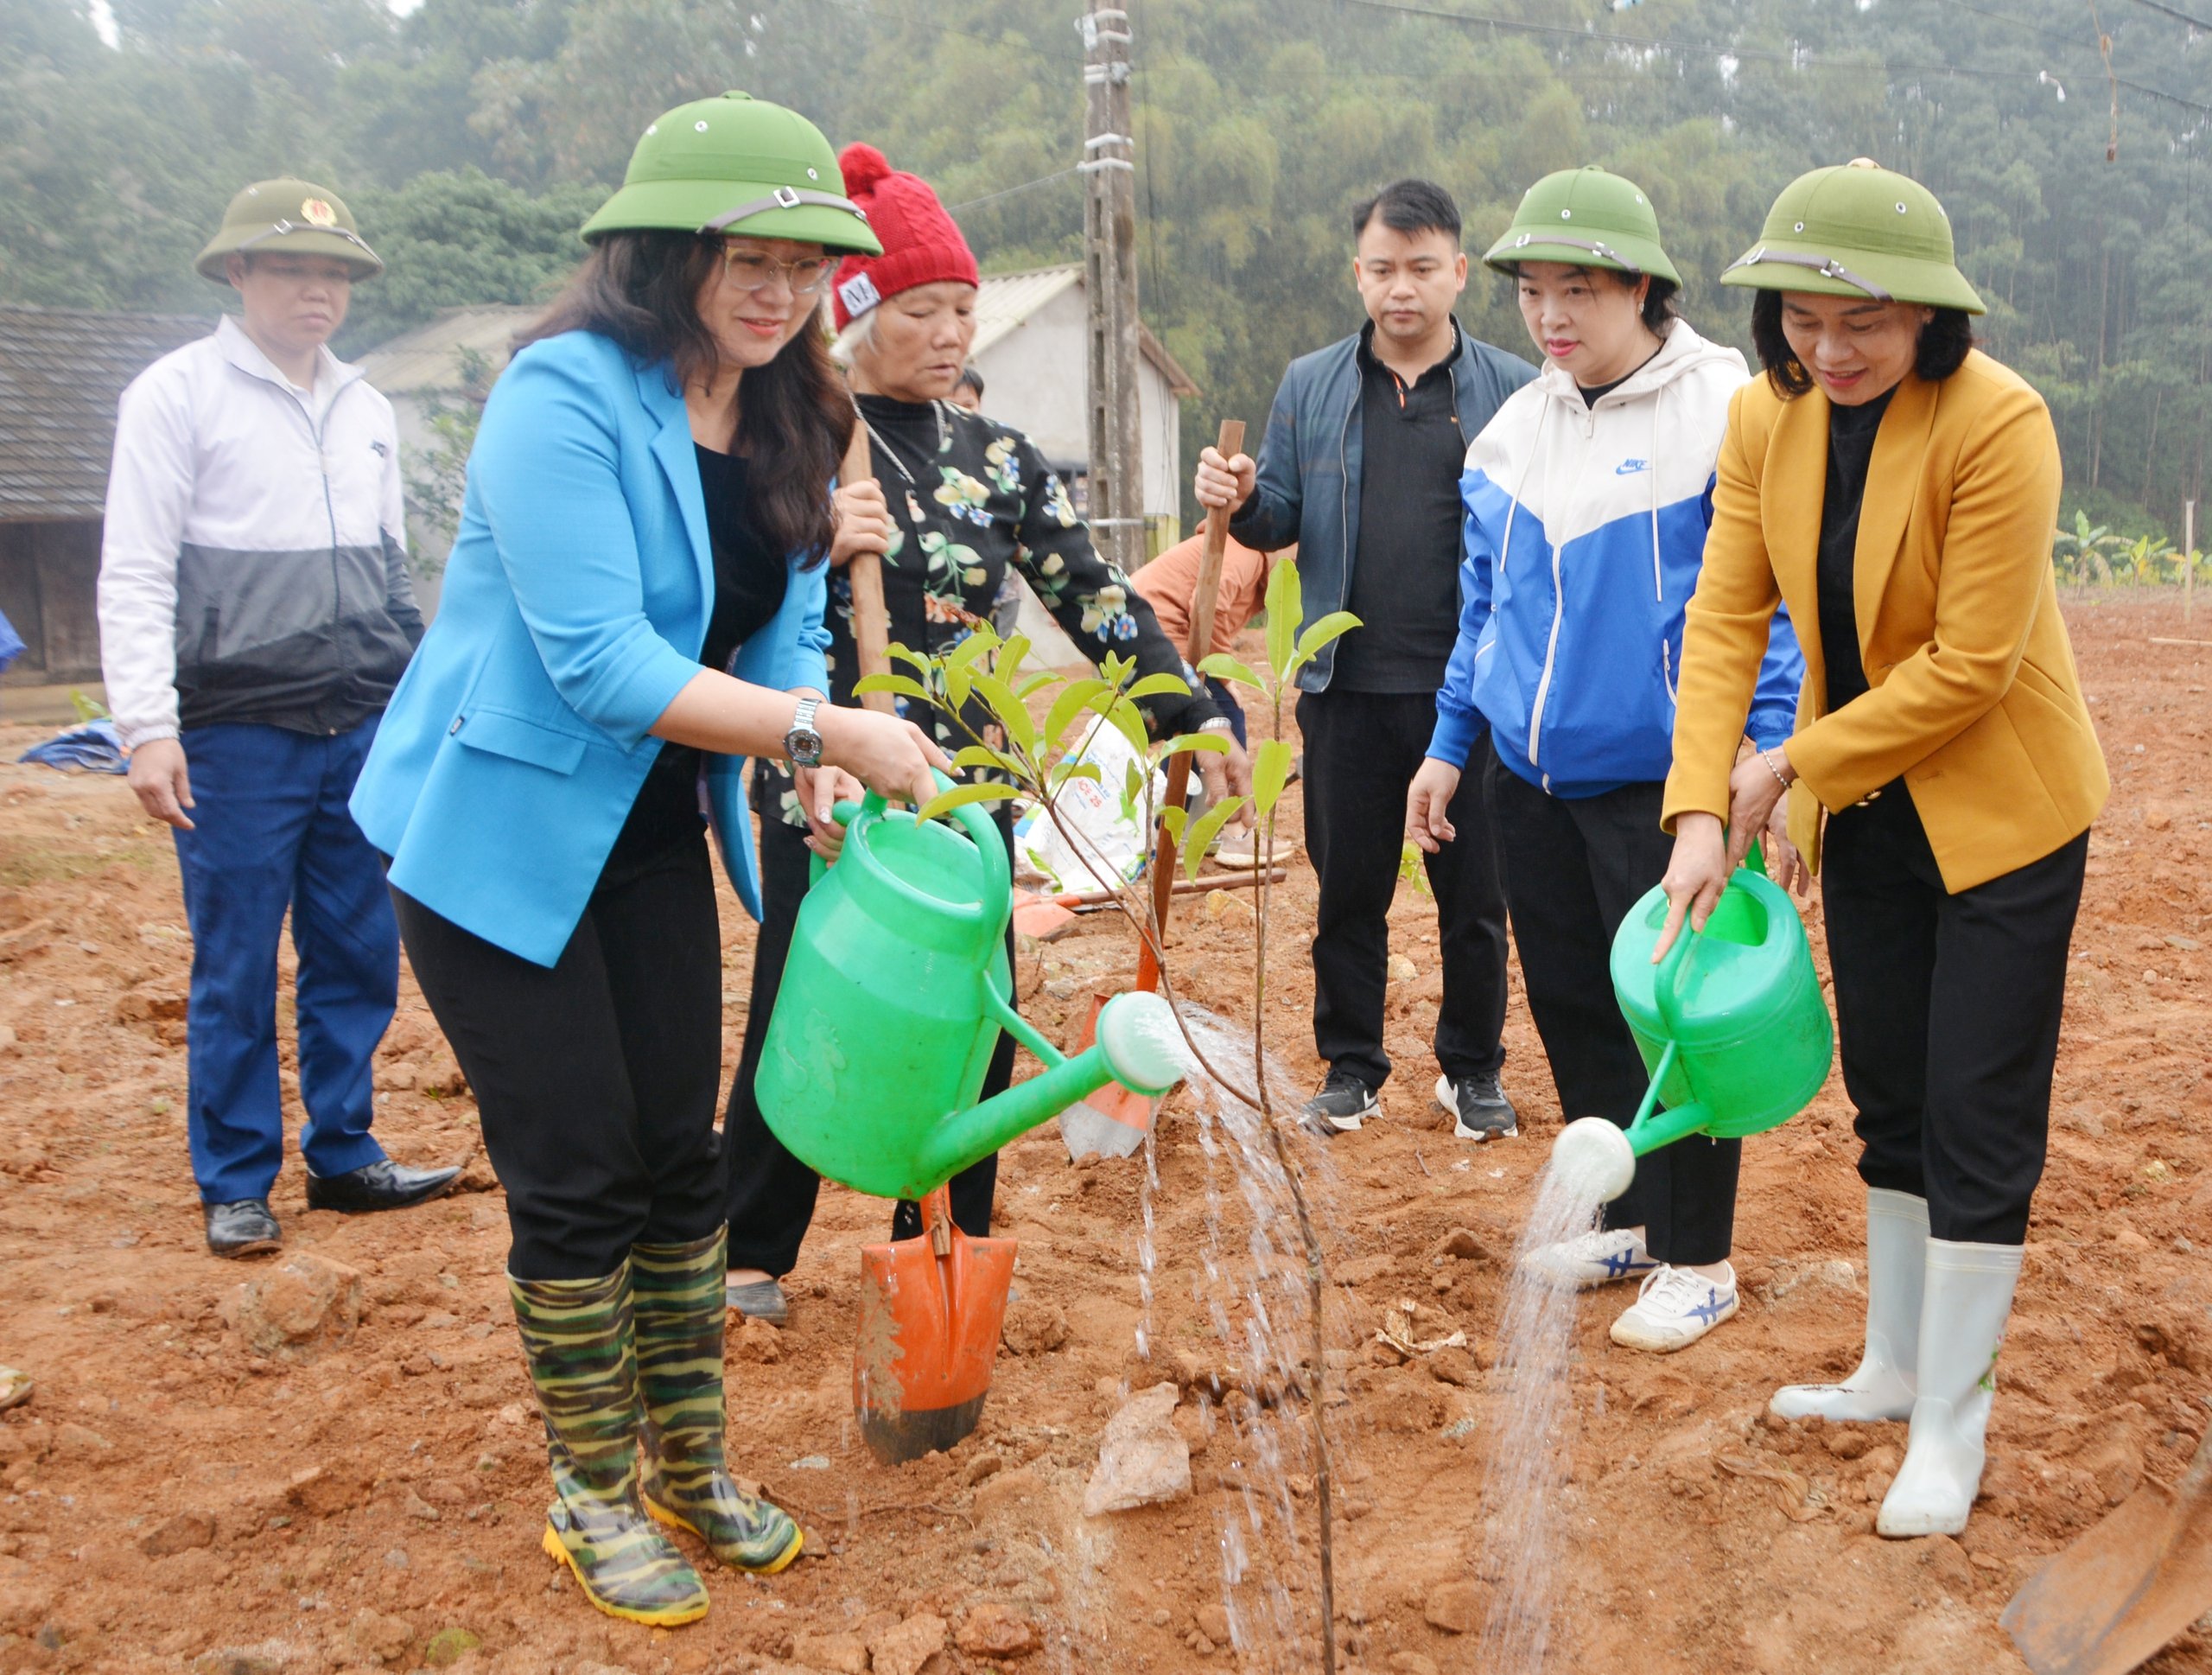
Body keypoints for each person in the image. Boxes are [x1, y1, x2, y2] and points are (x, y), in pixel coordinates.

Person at [349, 93, 947, 1626]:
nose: (774, 290)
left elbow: (782, 620)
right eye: (740, 256)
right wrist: (824, 736)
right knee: (578, 1169)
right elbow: (604, 660)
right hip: (493, 834)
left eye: (802, 263)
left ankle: (689, 1460)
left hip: (646, 834)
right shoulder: (562, 394)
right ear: (661, 253)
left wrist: (802, 768)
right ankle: (590, 1491)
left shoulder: (797, 412)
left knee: (683, 1154)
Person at [721, 144, 1249, 1324]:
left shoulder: (999, 457)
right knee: (805, 1000)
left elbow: (1094, 596)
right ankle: (751, 1244)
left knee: (975, 1016)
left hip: (969, 788)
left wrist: (1190, 709)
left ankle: (943, 1236)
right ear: (858, 312)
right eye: (922, 309)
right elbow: (734, 608)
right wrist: (799, 531)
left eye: (963, 308)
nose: (952, 330)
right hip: (835, 779)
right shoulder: (793, 437)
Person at [1656, 159, 2106, 1536]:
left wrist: (1789, 767)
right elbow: (1728, 621)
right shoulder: (1760, 417)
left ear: (1928, 317)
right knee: (1893, 1091)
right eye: (1801, 317)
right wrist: (1694, 813)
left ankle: (1952, 1426)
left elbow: (1973, 664)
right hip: (1869, 809)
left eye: (1863, 322)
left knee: (1977, 1112)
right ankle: (1895, 1368)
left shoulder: (1998, 420)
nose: (1828, 349)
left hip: (2002, 811)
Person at [1405, 168, 1805, 1352]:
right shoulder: (1514, 427)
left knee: (1680, 1014)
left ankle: (1700, 1255)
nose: (1551, 316)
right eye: (1532, 291)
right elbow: (1483, 613)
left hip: (1664, 781)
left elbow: (1764, 606)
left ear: (1643, 287)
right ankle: (1629, 1218)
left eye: (1578, 290)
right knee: (1576, 996)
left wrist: (1759, 753)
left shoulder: (1722, 410)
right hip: (1530, 780)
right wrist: (1447, 748)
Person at [98, 178, 456, 1261]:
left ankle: (344, 1152)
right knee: (238, 958)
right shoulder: (176, 394)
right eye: (294, 268)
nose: (319, 290)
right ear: (238, 274)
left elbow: (392, 570)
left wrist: (414, 695)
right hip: (236, 730)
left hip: (361, 723)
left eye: (336, 272)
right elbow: (135, 568)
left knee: (358, 949)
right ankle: (237, 1178)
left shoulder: (365, 405)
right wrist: (145, 725)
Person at [1194, 178, 1533, 1140]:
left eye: (1422, 269)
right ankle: (1351, 1065)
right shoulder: (1312, 383)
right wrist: (1243, 493)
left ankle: (1471, 1069)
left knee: (1477, 897)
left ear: (1459, 272)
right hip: (1343, 687)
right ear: (1358, 274)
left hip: (1468, 694)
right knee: (1348, 888)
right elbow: (1279, 517)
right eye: (1382, 269)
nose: (1402, 289)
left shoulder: (1509, 388)